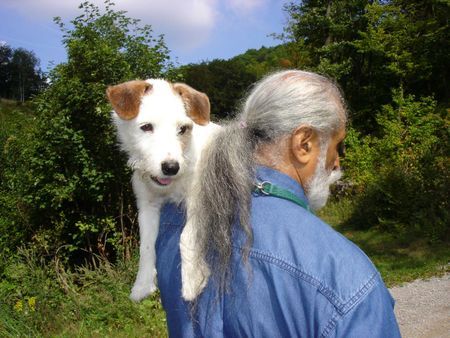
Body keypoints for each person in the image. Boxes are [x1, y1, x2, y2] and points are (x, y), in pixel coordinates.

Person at [155, 70, 401, 337]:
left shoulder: (171, 221)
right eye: (337, 145)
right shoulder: (347, 279)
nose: (338, 161)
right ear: (303, 144)